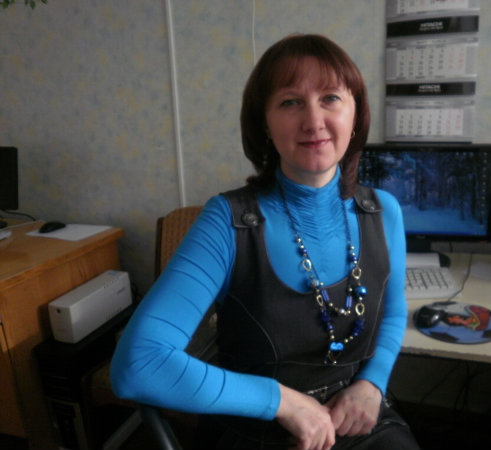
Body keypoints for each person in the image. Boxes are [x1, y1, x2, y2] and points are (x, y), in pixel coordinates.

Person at [111, 34, 420, 450]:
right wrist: (282, 402)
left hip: (357, 419)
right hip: (257, 429)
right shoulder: (227, 222)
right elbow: (138, 363)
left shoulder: (384, 212)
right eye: (290, 102)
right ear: (265, 125)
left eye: (330, 98)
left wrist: (373, 383)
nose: (313, 121)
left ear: (355, 115)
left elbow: (393, 313)